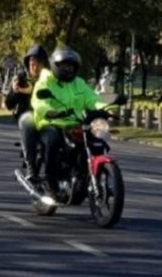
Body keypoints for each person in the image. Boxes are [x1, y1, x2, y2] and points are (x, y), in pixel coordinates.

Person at [29, 46, 125, 202]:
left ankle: (83, 175)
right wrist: (51, 111)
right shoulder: (46, 80)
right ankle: (49, 180)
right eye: (64, 66)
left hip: (74, 123)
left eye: (71, 66)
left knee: (93, 139)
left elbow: (92, 99)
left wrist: (107, 108)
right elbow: (39, 102)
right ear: (55, 65)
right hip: (51, 122)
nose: (68, 69)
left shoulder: (79, 83)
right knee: (53, 139)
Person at [6, 44, 50, 180]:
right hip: (28, 114)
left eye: (38, 64)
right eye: (32, 64)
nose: (35, 67)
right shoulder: (21, 79)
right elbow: (9, 104)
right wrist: (15, 91)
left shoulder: (50, 79)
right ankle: (31, 168)